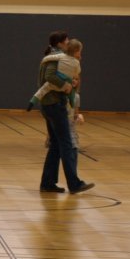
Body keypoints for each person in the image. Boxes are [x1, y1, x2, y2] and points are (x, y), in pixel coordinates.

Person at [37, 33, 92, 195]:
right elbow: (49, 77)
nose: (69, 44)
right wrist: (67, 86)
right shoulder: (57, 58)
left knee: (55, 145)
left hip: (48, 104)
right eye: (67, 41)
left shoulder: (54, 56)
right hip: (54, 104)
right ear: (60, 43)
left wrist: (70, 82)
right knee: (66, 144)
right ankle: (74, 184)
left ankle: (47, 183)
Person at [28, 38, 81, 111]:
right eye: (79, 51)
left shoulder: (61, 56)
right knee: (71, 90)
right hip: (65, 85)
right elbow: (77, 73)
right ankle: (72, 103)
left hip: (57, 80)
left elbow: (50, 58)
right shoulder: (77, 62)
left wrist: (43, 61)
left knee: (43, 89)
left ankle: (32, 101)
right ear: (76, 51)